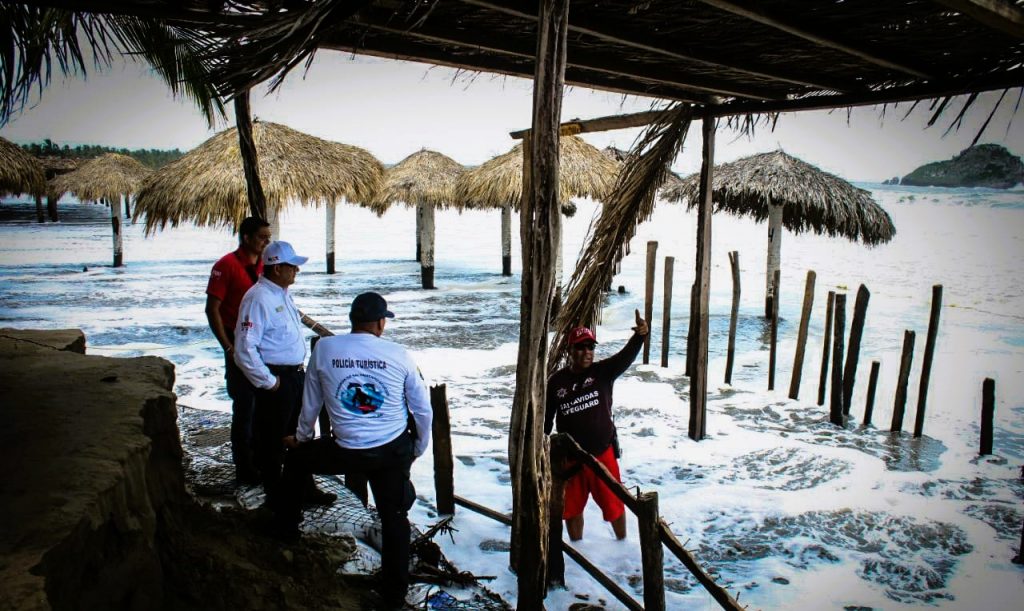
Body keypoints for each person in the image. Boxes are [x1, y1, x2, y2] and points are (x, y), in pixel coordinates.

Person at [276, 291, 432, 607]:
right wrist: (418, 446)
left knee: (296, 462)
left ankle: (287, 531)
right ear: (379, 323)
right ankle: (393, 595)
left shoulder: (325, 349)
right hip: (389, 450)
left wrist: (303, 439)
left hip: (344, 449)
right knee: (395, 518)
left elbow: (311, 403)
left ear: (352, 321)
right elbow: (423, 409)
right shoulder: (398, 354)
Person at [234, 240, 333, 507]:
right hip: (277, 377)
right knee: (272, 440)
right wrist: (269, 382)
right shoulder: (258, 298)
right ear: (277, 268)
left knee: (300, 434)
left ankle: (304, 488)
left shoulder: (281, 293)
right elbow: (244, 348)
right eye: (292, 266)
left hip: (293, 375)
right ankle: (276, 496)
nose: (296, 271)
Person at [544, 310, 649, 541]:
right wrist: (543, 454)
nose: (587, 352)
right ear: (570, 351)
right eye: (580, 347)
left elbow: (625, 356)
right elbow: (546, 422)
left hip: (603, 454)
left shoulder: (603, 372)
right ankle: (578, 549)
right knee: (570, 510)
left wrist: (640, 336)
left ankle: (622, 547)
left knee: (614, 507)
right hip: (572, 459)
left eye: (590, 347)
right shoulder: (556, 382)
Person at [205, 217, 271, 484]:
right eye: (262, 238)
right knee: (244, 405)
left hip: (263, 343)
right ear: (246, 237)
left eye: (269, 238)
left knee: (264, 406)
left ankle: (260, 460)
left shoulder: (267, 266)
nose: (267, 242)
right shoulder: (226, 266)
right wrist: (228, 346)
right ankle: (244, 468)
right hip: (237, 339)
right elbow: (213, 309)